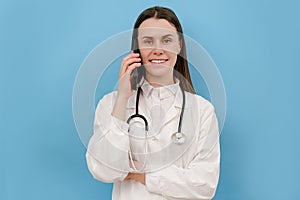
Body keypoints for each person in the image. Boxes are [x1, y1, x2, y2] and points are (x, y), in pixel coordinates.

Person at [86, 6, 220, 200]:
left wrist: (140, 175)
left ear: (179, 45)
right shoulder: (111, 104)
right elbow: (104, 170)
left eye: (167, 40)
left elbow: (205, 185)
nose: (158, 50)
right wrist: (122, 98)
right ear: (137, 48)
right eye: (148, 41)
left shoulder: (203, 111)